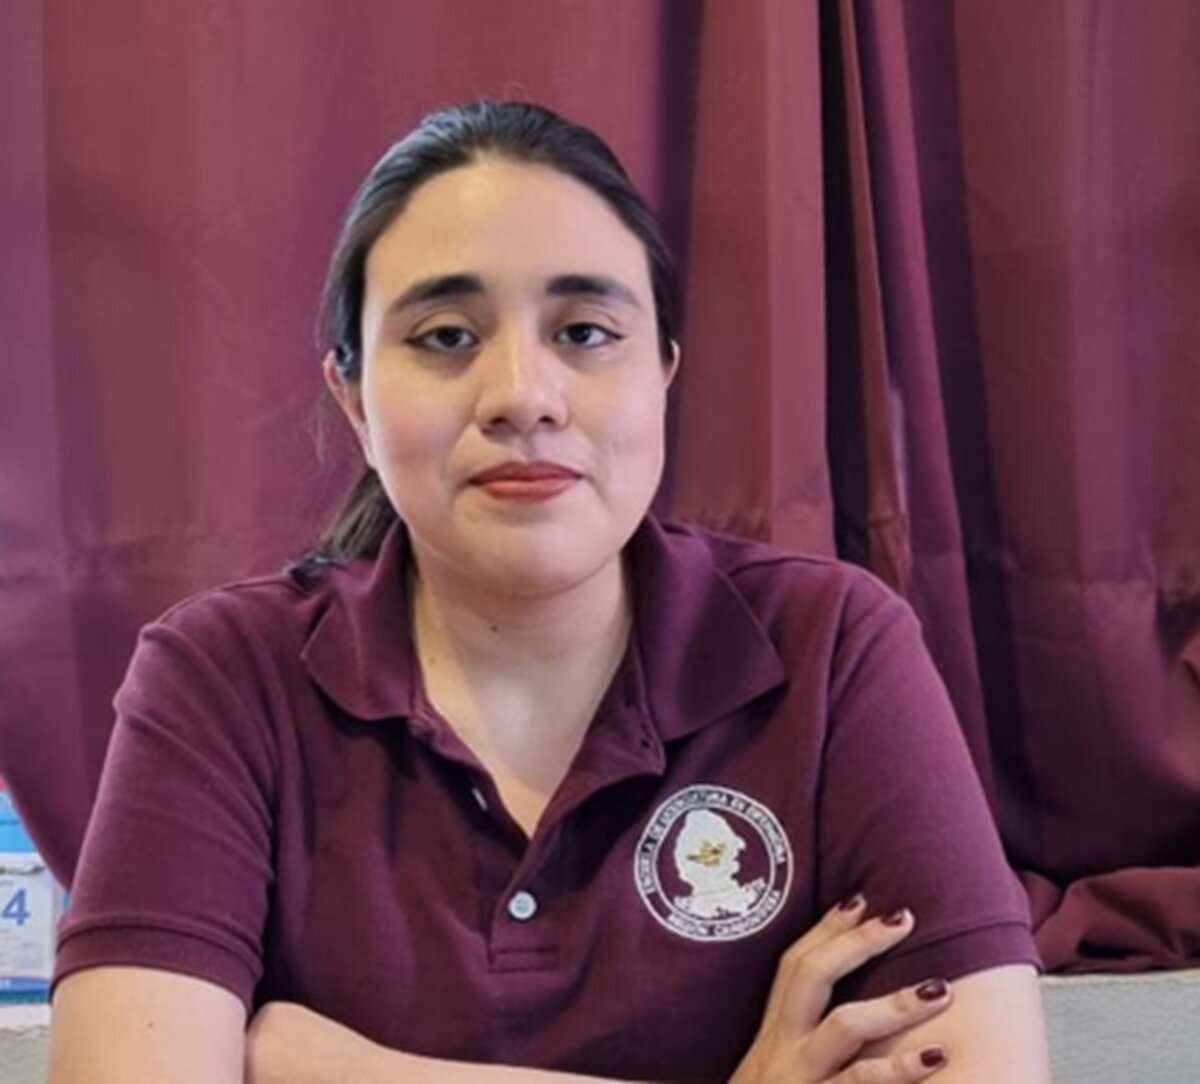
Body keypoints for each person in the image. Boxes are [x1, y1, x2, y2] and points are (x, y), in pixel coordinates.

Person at [46, 101, 1050, 1083]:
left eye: (584, 331)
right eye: (446, 336)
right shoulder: (221, 676)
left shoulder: (832, 648)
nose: (524, 395)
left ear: (664, 372)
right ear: (352, 395)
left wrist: (326, 1066)